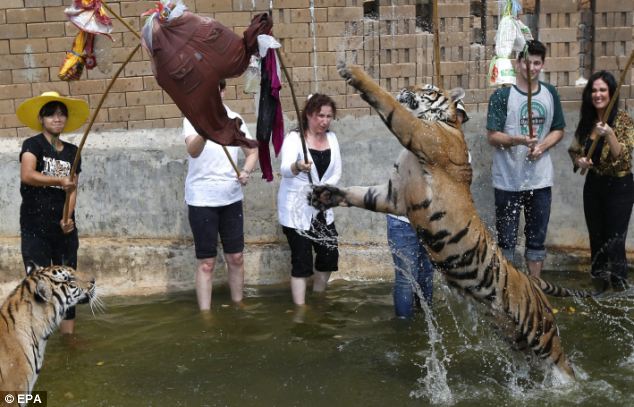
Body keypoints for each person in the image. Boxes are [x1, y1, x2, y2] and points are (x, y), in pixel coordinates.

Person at [486, 40, 565, 278]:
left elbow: (558, 130)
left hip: (539, 180)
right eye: (527, 62)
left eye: (537, 63)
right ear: (519, 63)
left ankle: (535, 290)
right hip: (508, 179)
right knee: (507, 241)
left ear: (543, 64)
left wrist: (541, 146)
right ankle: (508, 293)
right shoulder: (502, 96)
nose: (532, 68)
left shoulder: (550, 93)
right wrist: (518, 140)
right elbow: (492, 136)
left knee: (536, 240)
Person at [16, 91, 90, 335]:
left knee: (69, 284)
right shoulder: (32, 145)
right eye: (51, 114)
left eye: (61, 114)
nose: (57, 119)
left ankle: (68, 339)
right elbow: (27, 175)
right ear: (42, 118)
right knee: (39, 285)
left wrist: (68, 218)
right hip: (35, 228)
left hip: (63, 229)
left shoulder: (72, 152)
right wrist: (59, 180)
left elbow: (73, 189)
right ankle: (38, 338)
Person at [387, 101, 470, 317]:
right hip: (403, 221)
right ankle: (403, 329)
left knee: (426, 275)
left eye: (458, 118)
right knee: (406, 278)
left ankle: (425, 322)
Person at [183, 79, 258, 311]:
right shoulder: (192, 118)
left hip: (231, 198)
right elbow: (192, 151)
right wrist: (206, 131)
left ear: (223, 92)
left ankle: (238, 305)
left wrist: (246, 171)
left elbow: (252, 151)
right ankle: (205, 315)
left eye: (218, 91)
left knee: (236, 257)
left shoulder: (235, 121)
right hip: (201, 199)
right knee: (206, 263)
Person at [568, 70, 634, 291]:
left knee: (614, 242)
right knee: (596, 240)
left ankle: (619, 291)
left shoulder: (623, 120)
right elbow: (574, 152)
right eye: (594, 90)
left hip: (620, 187)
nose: (598, 94)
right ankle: (599, 288)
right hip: (594, 186)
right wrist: (581, 162)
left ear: (611, 93)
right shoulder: (587, 121)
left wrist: (609, 134)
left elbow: (622, 157)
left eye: (603, 90)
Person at [278, 94, 341, 306]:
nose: (324, 121)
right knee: (302, 260)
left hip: (322, 206)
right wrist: (298, 166)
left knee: (329, 255)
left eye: (328, 116)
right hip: (296, 210)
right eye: (319, 116)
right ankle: (301, 308)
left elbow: (337, 172)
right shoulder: (294, 138)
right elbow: (285, 169)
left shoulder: (331, 138)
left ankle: (318, 297)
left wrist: (323, 192)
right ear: (308, 115)